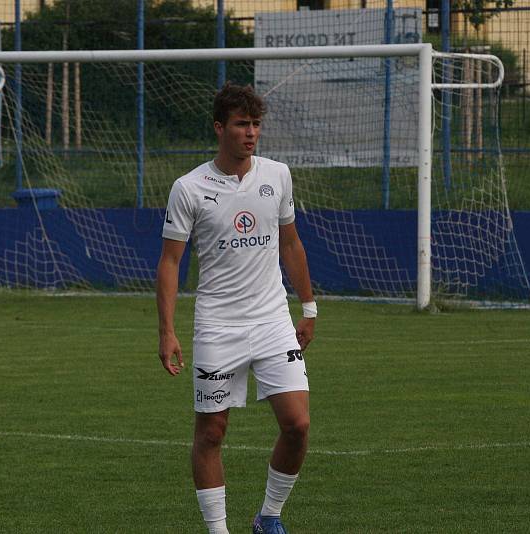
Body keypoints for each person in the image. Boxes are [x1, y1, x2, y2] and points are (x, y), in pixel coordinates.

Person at [156, 83, 316, 534]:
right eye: (242, 124)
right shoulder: (188, 188)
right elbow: (170, 262)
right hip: (217, 326)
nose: (251, 134)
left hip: (273, 321)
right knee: (211, 433)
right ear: (219, 127)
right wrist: (167, 331)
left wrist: (309, 307)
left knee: (298, 425)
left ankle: (268, 517)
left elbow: (291, 243)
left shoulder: (277, 175)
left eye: (256, 125)